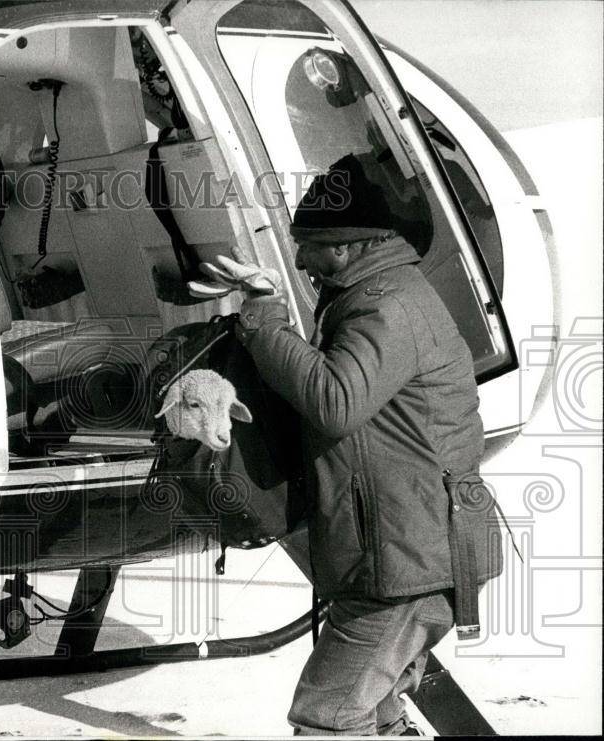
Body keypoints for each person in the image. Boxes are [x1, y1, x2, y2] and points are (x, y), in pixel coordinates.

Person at [197, 154, 503, 736]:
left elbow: (335, 400)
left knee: (328, 716)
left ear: (343, 246)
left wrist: (264, 326)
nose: (300, 260)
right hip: (402, 553)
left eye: (306, 245)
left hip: (405, 561)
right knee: (375, 713)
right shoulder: (374, 293)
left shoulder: (386, 304)